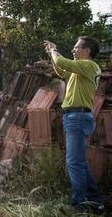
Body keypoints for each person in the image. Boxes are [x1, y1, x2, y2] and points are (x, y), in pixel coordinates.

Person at [44, 37, 104, 213]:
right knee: (80, 162)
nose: (73, 50)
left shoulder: (89, 66)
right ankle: (95, 201)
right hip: (76, 117)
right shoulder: (80, 70)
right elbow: (62, 70)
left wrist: (54, 50)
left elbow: (62, 61)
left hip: (77, 117)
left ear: (87, 50)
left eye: (76, 47)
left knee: (73, 162)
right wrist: (51, 54)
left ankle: (79, 204)